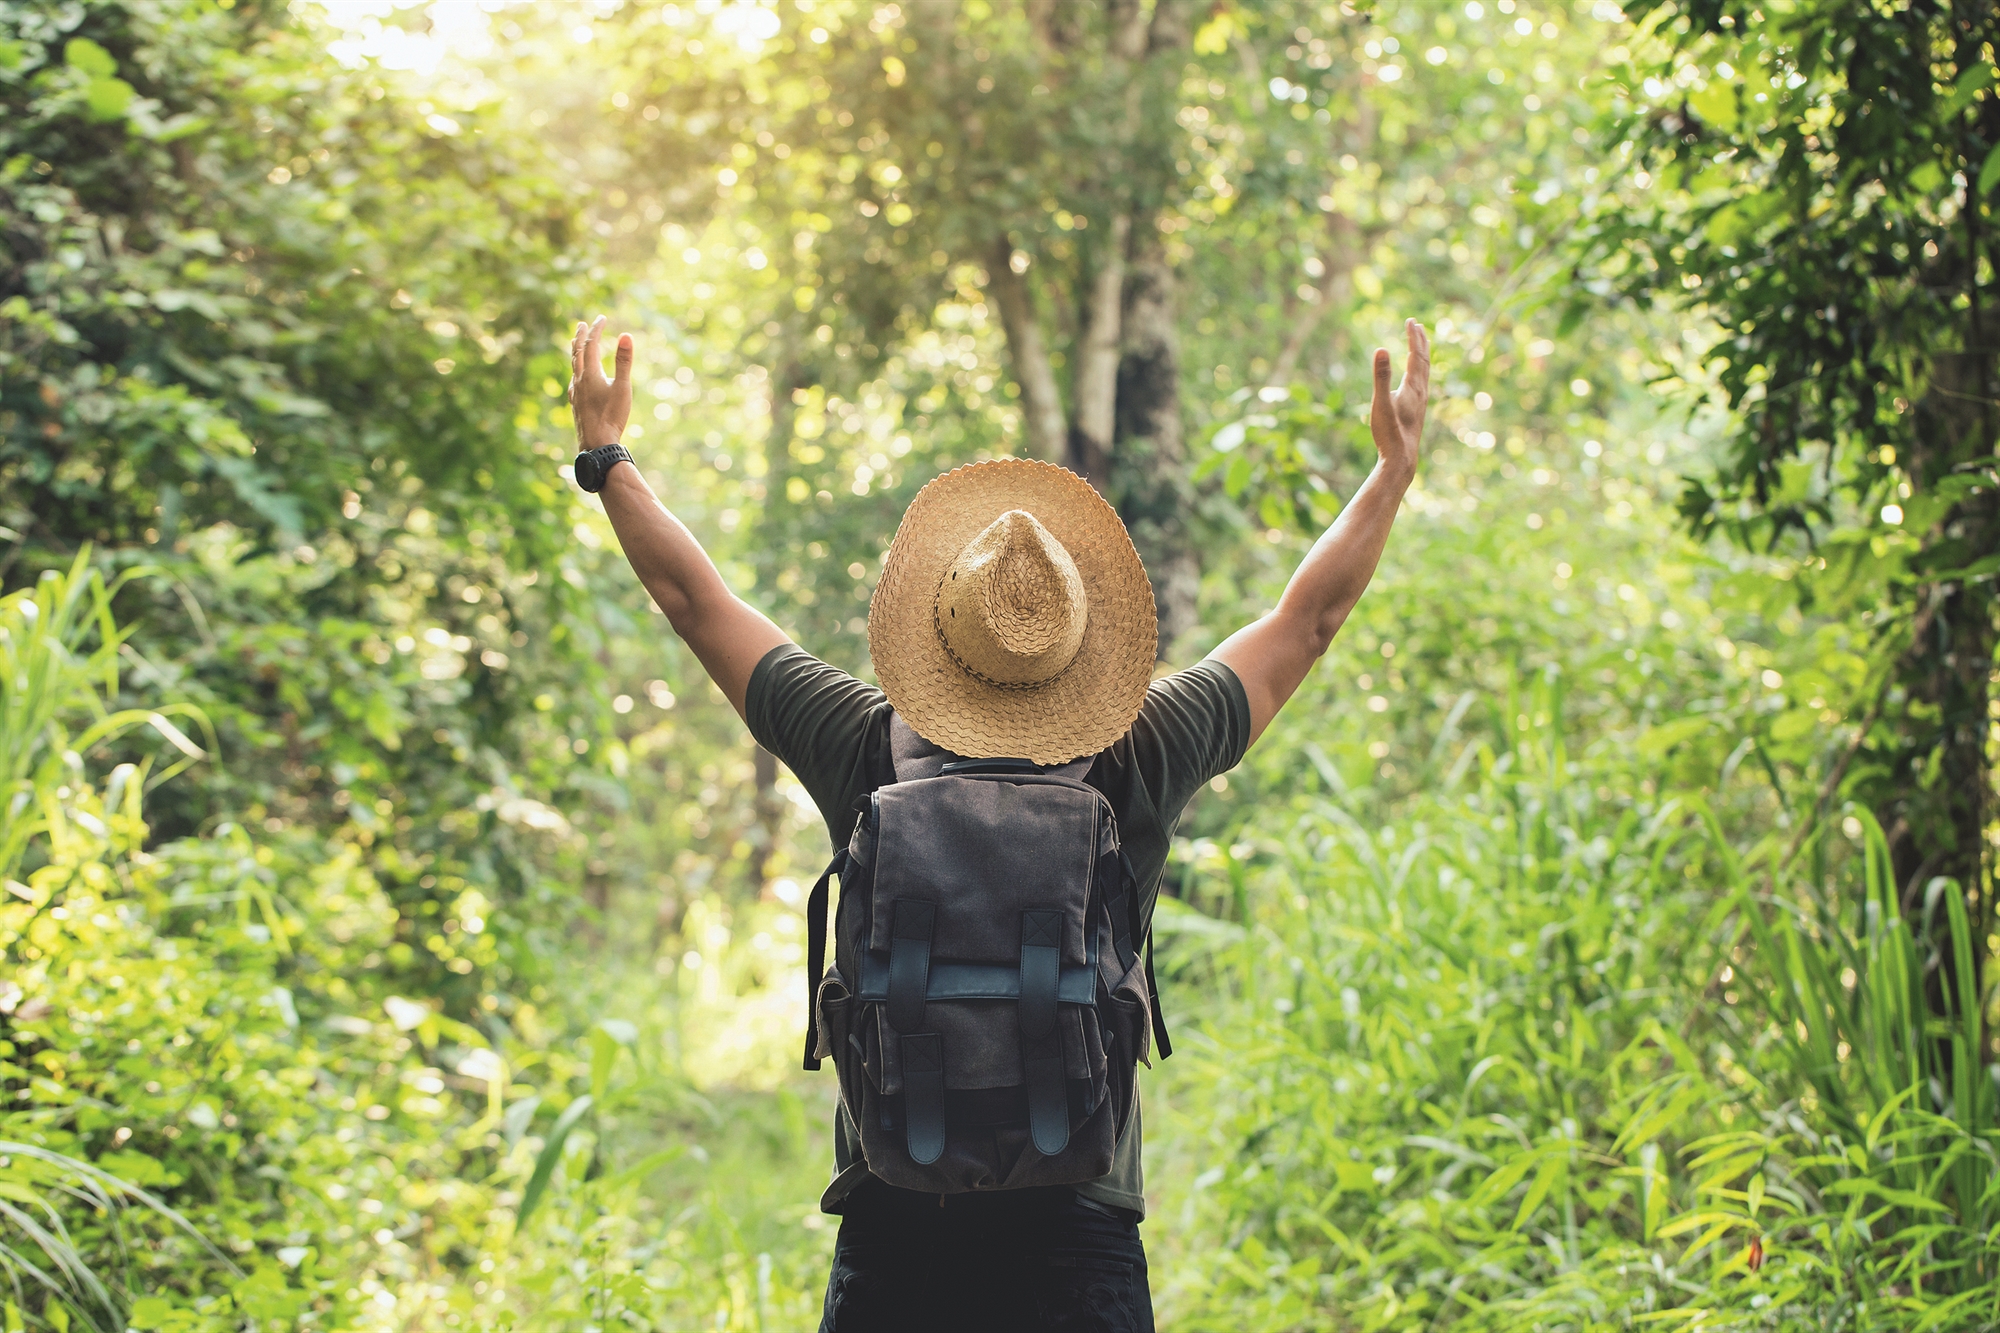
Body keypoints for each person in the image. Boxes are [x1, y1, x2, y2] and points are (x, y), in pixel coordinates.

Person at [566, 313, 1430, 1331]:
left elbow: (692, 599)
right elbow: (1304, 623)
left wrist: (606, 456)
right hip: (1080, 1226)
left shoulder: (861, 743)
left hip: (895, 1219)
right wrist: (1389, 475)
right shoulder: (1142, 750)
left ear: (934, 622)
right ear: (1082, 641)